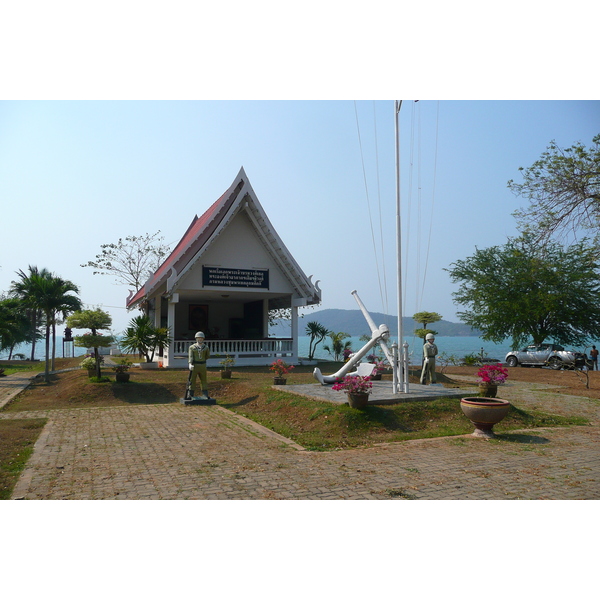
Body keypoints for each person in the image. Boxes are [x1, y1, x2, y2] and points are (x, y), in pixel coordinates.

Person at [188, 331, 210, 399]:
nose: (200, 340)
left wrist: (202, 360)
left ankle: (205, 393)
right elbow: (190, 356)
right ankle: (190, 394)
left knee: (203, 380)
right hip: (195, 365)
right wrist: (190, 363)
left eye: (201, 338)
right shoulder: (192, 347)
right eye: (198, 338)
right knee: (192, 380)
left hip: (202, 365)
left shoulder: (206, 347)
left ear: (203, 339)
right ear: (196, 339)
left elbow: (207, 356)